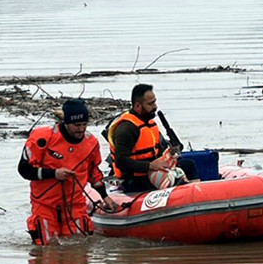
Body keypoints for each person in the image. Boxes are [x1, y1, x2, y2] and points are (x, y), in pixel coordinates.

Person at [18, 99, 115, 245]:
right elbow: (24, 169)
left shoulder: (91, 143)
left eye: (84, 124)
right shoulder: (43, 138)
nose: (81, 129)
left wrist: (105, 196)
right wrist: (54, 174)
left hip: (74, 204)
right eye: (77, 125)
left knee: (79, 251)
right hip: (45, 204)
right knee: (46, 250)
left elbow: (93, 173)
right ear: (66, 122)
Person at [105, 83, 198, 192]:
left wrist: (170, 156)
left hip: (153, 171)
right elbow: (121, 161)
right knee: (173, 178)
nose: (155, 107)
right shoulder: (126, 129)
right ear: (137, 106)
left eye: (154, 102)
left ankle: (195, 194)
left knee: (189, 165)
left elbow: (159, 152)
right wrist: (150, 166)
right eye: (150, 104)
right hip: (135, 179)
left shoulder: (150, 124)